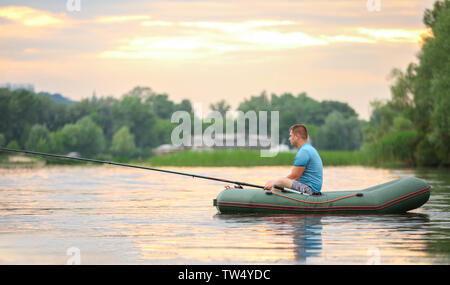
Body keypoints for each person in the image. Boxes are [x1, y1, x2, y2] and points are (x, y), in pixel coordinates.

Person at [264, 124, 323, 195]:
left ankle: (272, 201)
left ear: (297, 136)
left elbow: (295, 176)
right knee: (272, 182)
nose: (289, 138)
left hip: (309, 190)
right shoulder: (308, 148)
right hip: (305, 186)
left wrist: (276, 182)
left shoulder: (304, 151)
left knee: (279, 182)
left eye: (291, 136)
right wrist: (273, 182)